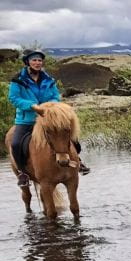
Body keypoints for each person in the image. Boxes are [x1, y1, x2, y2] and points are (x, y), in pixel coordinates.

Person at [8, 48, 90, 188]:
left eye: (40, 60)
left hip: (48, 118)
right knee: (16, 144)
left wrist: (49, 106)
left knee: (73, 139)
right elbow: (14, 98)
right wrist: (32, 106)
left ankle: (78, 162)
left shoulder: (49, 80)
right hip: (27, 120)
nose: (37, 63)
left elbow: (55, 96)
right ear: (27, 62)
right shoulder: (18, 80)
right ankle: (23, 173)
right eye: (34, 60)